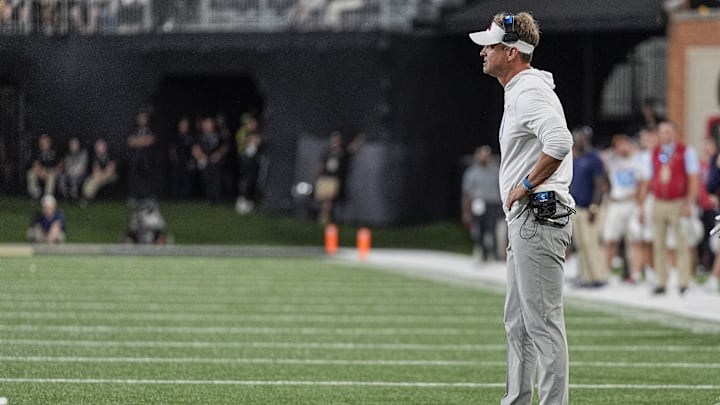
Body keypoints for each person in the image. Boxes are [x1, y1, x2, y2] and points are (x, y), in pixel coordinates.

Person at [470, 12, 575, 405]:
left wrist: (526, 185)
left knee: (543, 324)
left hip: (539, 215)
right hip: (528, 218)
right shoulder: (519, 89)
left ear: (511, 52)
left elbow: (560, 141)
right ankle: (516, 400)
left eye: (491, 45)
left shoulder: (529, 91)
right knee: (517, 323)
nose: (483, 51)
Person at [639, 120, 700, 295]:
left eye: (668, 131)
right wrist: (643, 204)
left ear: (675, 133)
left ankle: (683, 280)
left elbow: (693, 178)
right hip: (659, 201)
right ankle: (661, 281)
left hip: (678, 201)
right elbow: (648, 179)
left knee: (681, 242)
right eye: (662, 132)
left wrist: (690, 202)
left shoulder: (686, 151)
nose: (665, 135)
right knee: (658, 243)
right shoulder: (655, 152)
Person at [602, 134, 648, 283]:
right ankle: (606, 272)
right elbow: (602, 158)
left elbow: (643, 185)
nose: (624, 147)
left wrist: (640, 205)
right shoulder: (613, 161)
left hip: (631, 203)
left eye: (625, 144)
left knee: (634, 240)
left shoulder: (638, 162)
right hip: (616, 203)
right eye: (620, 145)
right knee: (610, 239)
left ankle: (635, 273)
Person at [570, 126, 608, 287]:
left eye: (581, 138)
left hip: (589, 207)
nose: (579, 141)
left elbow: (600, 185)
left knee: (591, 243)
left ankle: (598, 276)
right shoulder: (575, 159)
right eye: (577, 138)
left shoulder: (594, 159)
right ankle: (586, 277)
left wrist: (594, 207)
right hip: (576, 207)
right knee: (581, 244)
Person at [462, 145, 502, 261]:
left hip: (493, 203)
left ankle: (494, 254)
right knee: (479, 228)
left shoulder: (496, 171)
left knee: (493, 228)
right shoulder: (472, 172)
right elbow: (467, 193)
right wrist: (466, 212)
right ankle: (482, 251)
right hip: (478, 203)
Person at [192, 116, 229, 204]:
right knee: (207, 180)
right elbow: (195, 148)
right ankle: (210, 199)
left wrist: (219, 154)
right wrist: (201, 156)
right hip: (204, 160)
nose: (207, 125)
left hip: (216, 161)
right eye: (205, 123)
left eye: (209, 123)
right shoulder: (198, 136)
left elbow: (225, 146)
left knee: (217, 179)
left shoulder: (219, 134)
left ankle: (218, 198)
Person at [234, 114, 264, 214]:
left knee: (252, 180)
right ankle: (241, 202)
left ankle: (249, 202)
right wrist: (250, 139)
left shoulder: (256, 132)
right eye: (250, 123)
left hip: (253, 160)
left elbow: (259, 141)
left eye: (253, 123)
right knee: (244, 180)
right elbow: (241, 142)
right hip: (244, 159)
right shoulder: (242, 131)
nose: (252, 124)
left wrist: (254, 139)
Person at [127, 111, 156, 201]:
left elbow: (150, 140)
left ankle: (148, 196)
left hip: (147, 158)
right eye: (140, 118)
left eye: (143, 118)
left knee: (147, 177)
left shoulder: (150, 129)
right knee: (134, 176)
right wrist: (143, 141)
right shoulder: (134, 129)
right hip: (135, 157)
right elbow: (130, 142)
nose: (141, 120)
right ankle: (134, 196)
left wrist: (138, 141)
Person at [168, 117, 197, 198]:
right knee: (176, 179)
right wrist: (173, 158)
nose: (183, 126)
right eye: (182, 124)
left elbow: (194, 148)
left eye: (185, 125)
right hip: (177, 160)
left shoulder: (191, 136)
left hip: (187, 161)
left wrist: (192, 160)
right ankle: (175, 196)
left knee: (187, 180)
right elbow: (172, 148)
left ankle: (186, 196)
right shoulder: (175, 136)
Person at [26, 132, 59, 199]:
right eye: (41, 141)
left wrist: (48, 171)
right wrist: (42, 171)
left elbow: (59, 165)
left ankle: (48, 196)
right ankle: (35, 193)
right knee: (30, 173)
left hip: (51, 172)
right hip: (40, 171)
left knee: (51, 175)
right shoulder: (36, 152)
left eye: (45, 141)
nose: (43, 143)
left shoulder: (54, 152)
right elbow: (35, 165)